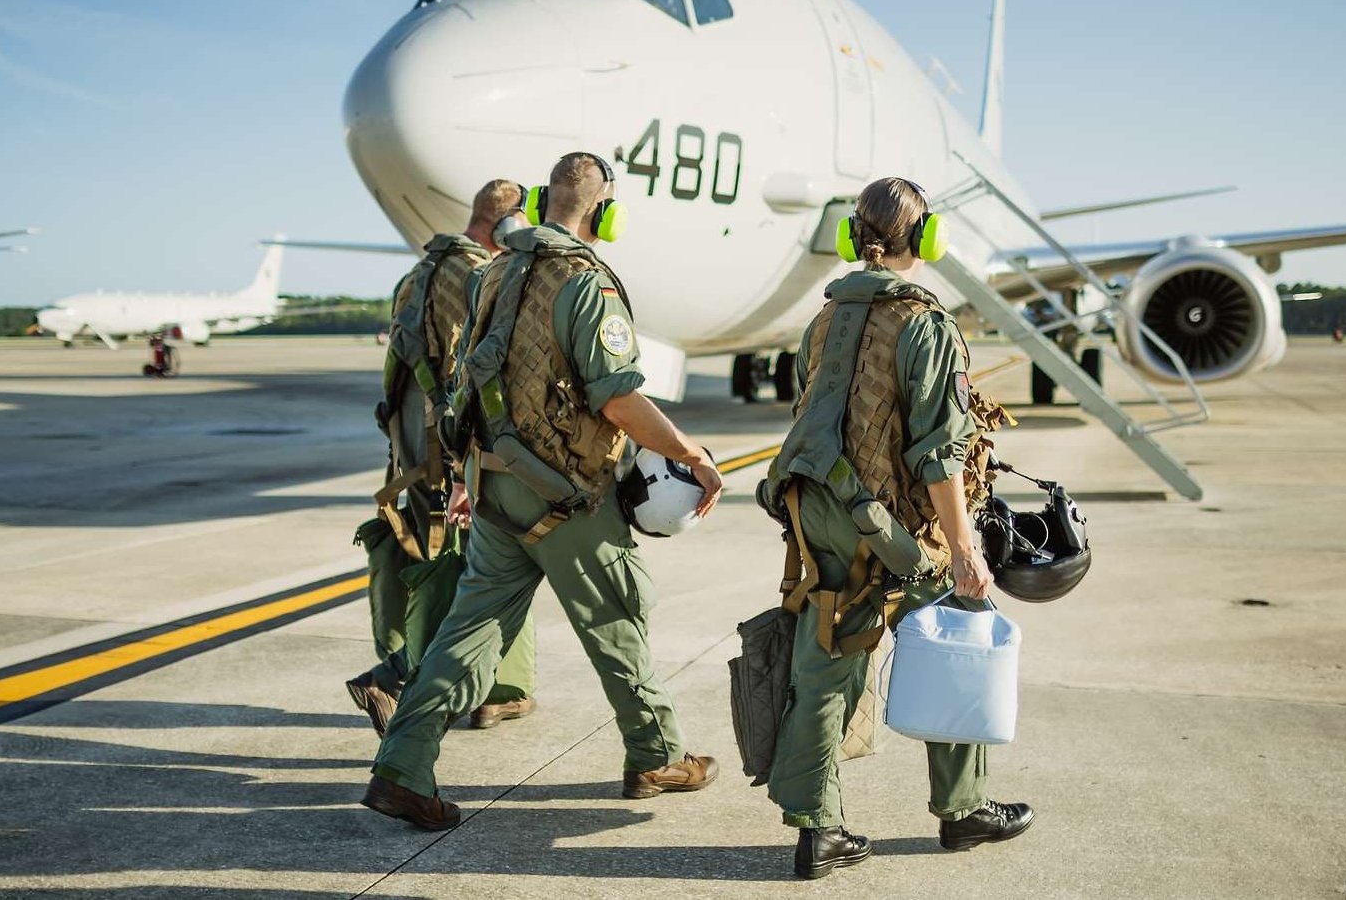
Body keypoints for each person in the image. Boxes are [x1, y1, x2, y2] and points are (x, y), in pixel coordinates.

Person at [362, 152, 723, 831]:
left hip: (496, 489)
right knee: (617, 619)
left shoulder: (494, 271)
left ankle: (400, 766)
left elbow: (467, 376)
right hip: (569, 495)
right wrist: (687, 452)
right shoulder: (584, 284)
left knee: (467, 634)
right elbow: (617, 397)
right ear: (602, 210)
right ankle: (656, 754)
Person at [757, 177, 1032, 880]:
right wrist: (964, 550)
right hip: (894, 528)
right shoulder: (926, 324)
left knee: (823, 661)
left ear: (855, 237)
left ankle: (817, 830)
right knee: (959, 624)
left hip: (819, 512)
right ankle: (963, 807)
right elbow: (938, 454)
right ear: (927, 237)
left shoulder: (822, 319)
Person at [346, 180, 538, 736]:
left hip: (412, 453)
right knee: (491, 565)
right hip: (456, 453)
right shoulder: (483, 276)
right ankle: (414, 679)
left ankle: (471, 689)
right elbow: (475, 378)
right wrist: (466, 467)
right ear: (511, 226)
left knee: (436, 564)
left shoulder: (416, 277)